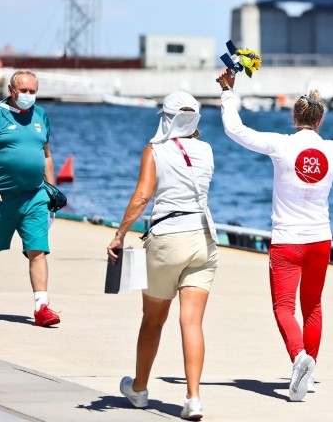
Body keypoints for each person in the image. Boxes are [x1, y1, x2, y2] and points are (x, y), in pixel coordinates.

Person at [216, 68, 333, 402]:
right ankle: (311, 371)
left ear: (294, 117)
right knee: (313, 306)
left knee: (283, 308)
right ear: (321, 121)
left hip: (287, 241)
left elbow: (235, 129)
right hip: (319, 240)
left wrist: (228, 91)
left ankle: (299, 357)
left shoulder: (280, 145)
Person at [106, 91, 218, 421]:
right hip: (204, 238)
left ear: (166, 118)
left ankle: (139, 390)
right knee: (192, 322)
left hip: (167, 239)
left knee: (153, 320)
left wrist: (119, 234)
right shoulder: (208, 150)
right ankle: (193, 399)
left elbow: (143, 197)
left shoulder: (155, 150)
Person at [0, 70, 60, 327]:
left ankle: (41, 307)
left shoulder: (41, 116)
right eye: (23, 91)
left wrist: (52, 191)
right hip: (3, 197)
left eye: (32, 91)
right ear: (12, 90)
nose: (28, 95)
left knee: (38, 250)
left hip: (35, 196)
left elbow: (46, 154)